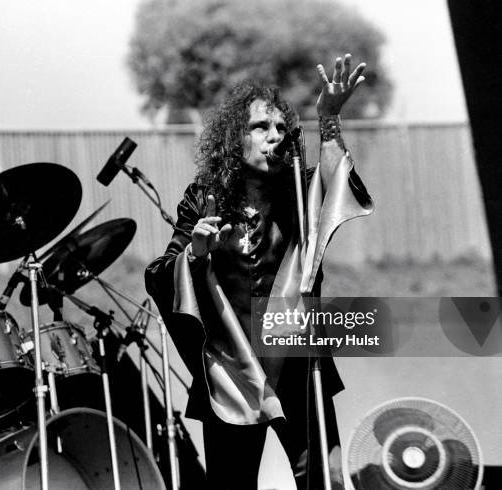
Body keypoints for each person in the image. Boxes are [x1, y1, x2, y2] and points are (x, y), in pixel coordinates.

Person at [145, 54, 373, 489]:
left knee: (328, 478)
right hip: (232, 371)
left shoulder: (301, 192)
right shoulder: (202, 199)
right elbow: (158, 274)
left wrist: (327, 120)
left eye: (281, 129)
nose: (274, 137)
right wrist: (194, 254)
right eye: (260, 127)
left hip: (299, 363)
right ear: (236, 138)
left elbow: (340, 184)